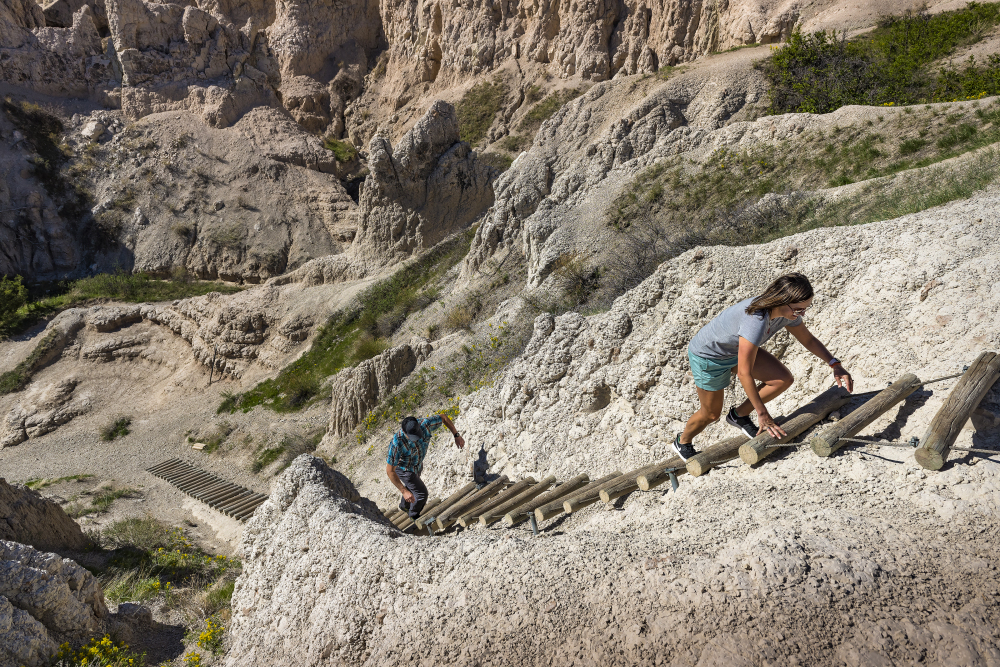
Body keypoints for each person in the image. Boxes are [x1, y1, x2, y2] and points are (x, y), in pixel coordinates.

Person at [672, 272, 853, 461]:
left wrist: (835, 364)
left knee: (782, 379)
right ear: (782, 301)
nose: (802, 314)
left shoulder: (787, 313)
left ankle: (739, 415)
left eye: (806, 308)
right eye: (799, 310)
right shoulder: (755, 320)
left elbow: (807, 339)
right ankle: (683, 441)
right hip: (710, 356)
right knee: (710, 414)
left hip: (736, 349)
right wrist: (763, 414)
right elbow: (744, 373)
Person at [386, 413, 465, 518]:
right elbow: (390, 471)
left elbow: (444, 417)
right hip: (404, 468)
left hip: (417, 464)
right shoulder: (397, 443)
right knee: (421, 494)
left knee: (413, 486)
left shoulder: (425, 424)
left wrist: (456, 435)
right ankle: (413, 517)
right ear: (404, 432)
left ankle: (404, 506)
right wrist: (403, 491)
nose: (416, 439)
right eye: (412, 437)